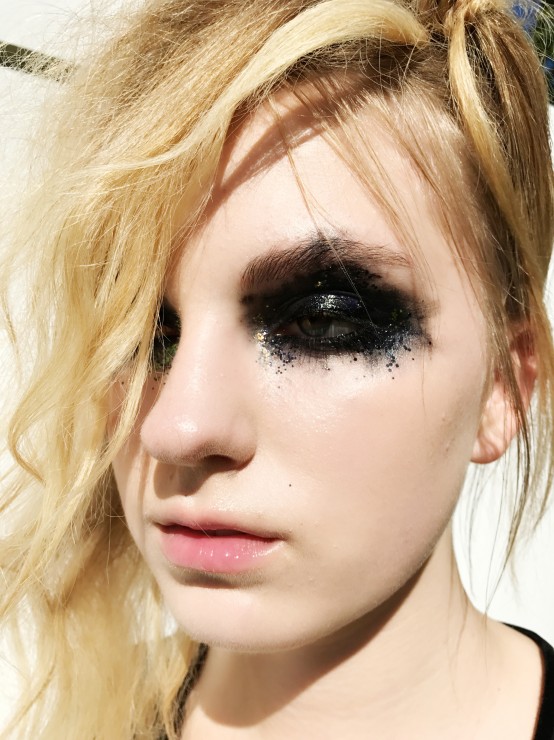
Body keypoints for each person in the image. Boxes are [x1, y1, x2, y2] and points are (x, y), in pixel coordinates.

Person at [1, 0, 553, 737]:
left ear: (503, 387)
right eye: (142, 334)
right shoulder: (75, 715)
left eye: (321, 322)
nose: (177, 428)